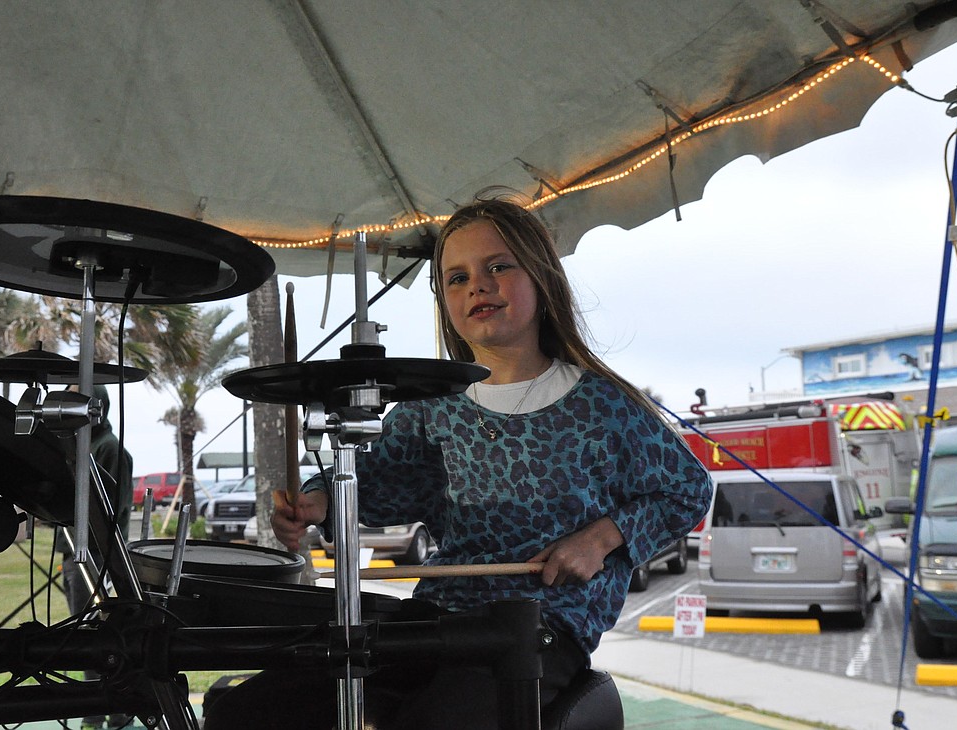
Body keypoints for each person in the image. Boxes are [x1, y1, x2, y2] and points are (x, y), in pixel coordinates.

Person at [207, 194, 712, 729]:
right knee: (250, 711)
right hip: (441, 616)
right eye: (456, 277)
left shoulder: (602, 403)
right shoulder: (433, 402)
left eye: (498, 266)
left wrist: (600, 538)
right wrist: (317, 500)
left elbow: (687, 491)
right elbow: (376, 484)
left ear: (542, 278)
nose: (478, 285)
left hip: (543, 626)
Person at [58, 383, 137, 730]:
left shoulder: (110, 450)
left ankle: (106, 709)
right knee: (84, 630)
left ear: (95, 408)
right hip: (76, 553)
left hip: (94, 555)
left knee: (95, 634)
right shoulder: (82, 448)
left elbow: (109, 513)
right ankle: (101, 707)